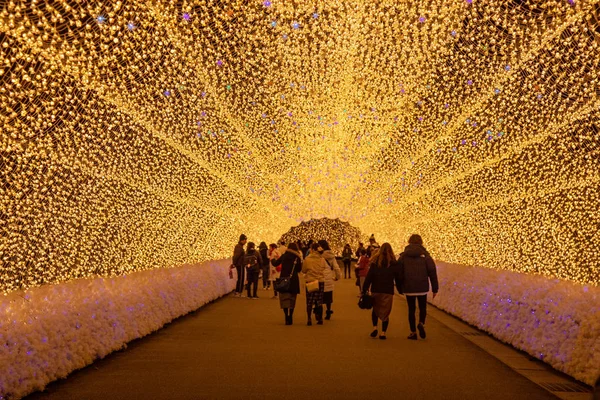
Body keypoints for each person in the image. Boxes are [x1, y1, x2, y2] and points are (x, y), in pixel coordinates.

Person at [397, 234, 439, 340]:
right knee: (422, 307)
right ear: (421, 242)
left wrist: (399, 286)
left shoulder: (404, 256)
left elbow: (399, 273)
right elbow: (432, 272)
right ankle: (421, 323)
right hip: (422, 286)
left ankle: (413, 332)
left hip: (409, 286)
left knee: (411, 309)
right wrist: (435, 288)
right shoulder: (426, 256)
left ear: (409, 242)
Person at [362, 243, 402, 340]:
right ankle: (383, 333)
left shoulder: (375, 263)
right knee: (385, 311)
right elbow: (398, 278)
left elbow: (369, 277)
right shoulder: (393, 263)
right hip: (388, 290)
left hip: (376, 289)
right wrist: (400, 289)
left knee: (375, 310)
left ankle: (375, 327)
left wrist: (365, 289)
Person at [271, 243, 303, 325]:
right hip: (294, 280)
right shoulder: (297, 257)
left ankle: (286, 316)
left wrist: (272, 259)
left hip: (284, 278)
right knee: (292, 299)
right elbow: (299, 269)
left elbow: (275, 263)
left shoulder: (284, 255)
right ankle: (291, 315)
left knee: (284, 299)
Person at [301, 243, 328, 325]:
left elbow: (303, 270)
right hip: (320, 281)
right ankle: (320, 319)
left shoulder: (307, 259)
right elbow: (324, 268)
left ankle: (309, 319)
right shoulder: (322, 259)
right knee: (319, 300)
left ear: (312, 249)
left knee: (309, 301)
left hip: (311, 281)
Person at [318, 240, 341, 320]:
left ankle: (318, 313)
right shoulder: (331, 256)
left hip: (319, 277)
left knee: (319, 297)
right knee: (328, 298)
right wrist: (337, 277)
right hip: (329, 279)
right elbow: (336, 268)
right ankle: (328, 312)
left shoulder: (318, 255)